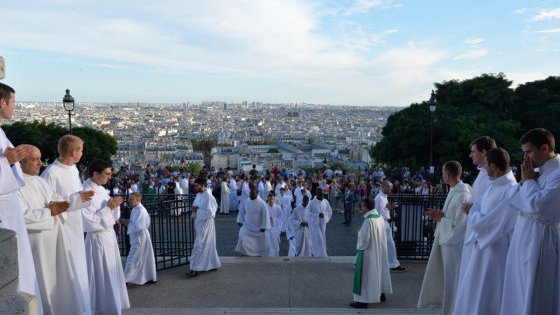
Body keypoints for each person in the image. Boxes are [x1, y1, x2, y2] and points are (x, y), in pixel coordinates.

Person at [17, 145, 93, 314]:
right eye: (35, 159)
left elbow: (55, 202)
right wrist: (48, 212)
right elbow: (19, 216)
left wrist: (74, 200)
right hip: (37, 246)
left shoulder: (39, 181)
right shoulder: (15, 185)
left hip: (54, 240)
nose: (40, 163)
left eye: (39, 158)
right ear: (21, 162)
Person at [501, 128, 560, 315]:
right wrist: (527, 185)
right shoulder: (535, 172)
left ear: (545, 148)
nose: (525, 158)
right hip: (524, 236)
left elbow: (539, 207)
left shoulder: (557, 174)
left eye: (528, 151)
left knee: (536, 291)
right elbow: (513, 199)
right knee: (519, 290)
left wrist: (528, 184)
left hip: (541, 241)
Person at [453, 148, 517, 315]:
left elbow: (493, 222)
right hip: (482, 247)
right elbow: (482, 208)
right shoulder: (494, 184)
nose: (484, 168)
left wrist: (473, 213)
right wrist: (472, 209)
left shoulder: (511, 190)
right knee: (475, 294)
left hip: (495, 251)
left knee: (489, 295)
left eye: (486, 164)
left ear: (494, 166)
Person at [41, 134, 92, 314]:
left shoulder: (73, 169)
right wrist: (77, 199)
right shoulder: (51, 173)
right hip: (62, 229)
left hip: (75, 226)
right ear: (73, 151)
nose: (82, 153)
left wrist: (81, 199)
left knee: (78, 268)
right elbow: (49, 204)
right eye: (81, 150)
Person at [417, 161, 470, 315]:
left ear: (447, 174)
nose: (442, 175)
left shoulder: (463, 195)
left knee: (454, 282)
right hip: (447, 244)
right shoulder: (454, 191)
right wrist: (440, 215)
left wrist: (441, 220)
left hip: (454, 247)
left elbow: (462, 226)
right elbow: (452, 218)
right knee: (448, 283)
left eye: (442, 173)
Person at [0, 82, 36, 299]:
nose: (15, 106)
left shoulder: (2, 132)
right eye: (13, 102)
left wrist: (10, 161)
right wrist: (7, 162)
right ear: (2, 102)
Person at [82, 159, 130, 314]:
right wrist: (108, 208)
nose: (110, 178)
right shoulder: (85, 192)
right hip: (97, 240)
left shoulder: (101, 189)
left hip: (108, 237)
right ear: (95, 174)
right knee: (101, 276)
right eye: (107, 174)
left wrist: (114, 206)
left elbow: (113, 217)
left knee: (111, 273)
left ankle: (112, 304)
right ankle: (101, 307)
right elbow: (88, 223)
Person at [457, 136, 496, 288]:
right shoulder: (483, 173)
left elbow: (489, 207)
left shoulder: (491, 176)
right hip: (475, 227)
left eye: (473, 151)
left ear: (484, 152)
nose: (470, 155)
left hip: (482, 233)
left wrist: (472, 209)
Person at [350, 198, 392, 308]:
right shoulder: (379, 218)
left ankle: (362, 301)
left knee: (365, 276)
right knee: (379, 272)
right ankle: (380, 293)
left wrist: (359, 233)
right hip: (379, 251)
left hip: (369, 253)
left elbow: (364, 241)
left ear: (366, 207)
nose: (361, 208)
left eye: (362, 206)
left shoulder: (368, 221)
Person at [120, 192, 157, 285]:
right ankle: (148, 277)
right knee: (144, 256)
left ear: (138, 200)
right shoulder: (135, 209)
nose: (129, 201)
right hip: (138, 236)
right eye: (129, 199)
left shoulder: (141, 210)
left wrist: (125, 222)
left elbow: (138, 226)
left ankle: (125, 279)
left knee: (132, 257)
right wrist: (127, 222)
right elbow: (134, 223)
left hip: (140, 237)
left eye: (131, 199)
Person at [187, 178, 221, 277]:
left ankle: (195, 268)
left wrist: (197, 211)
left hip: (206, 224)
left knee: (199, 245)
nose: (195, 187)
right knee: (206, 245)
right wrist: (194, 209)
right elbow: (195, 207)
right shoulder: (198, 195)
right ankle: (212, 264)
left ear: (203, 185)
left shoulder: (209, 197)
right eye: (195, 185)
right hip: (199, 223)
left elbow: (211, 213)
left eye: (197, 186)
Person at [375, 180, 406, 272]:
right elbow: (378, 212)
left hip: (385, 223)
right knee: (375, 243)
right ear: (382, 187)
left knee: (389, 244)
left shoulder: (384, 197)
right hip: (380, 223)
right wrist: (388, 209)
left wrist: (389, 208)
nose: (390, 188)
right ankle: (358, 261)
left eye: (391, 187)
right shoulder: (379, 198)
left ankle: (393, 264)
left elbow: (384, 209)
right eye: (388, 186)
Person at [235, 188, 270, 256]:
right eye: (250, 193)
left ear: (257, 194)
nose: (251, 195)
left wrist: (264, 226)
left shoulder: (262, 203)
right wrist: (239, 220)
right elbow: (241, 211)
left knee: (259, 243)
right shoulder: (246, 201)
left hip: (258, 228)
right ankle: (244, 252)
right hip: (247, 227)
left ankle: (258, 254)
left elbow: (265, 216)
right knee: (242, 234)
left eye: (252, 194)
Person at [308, 187, 333, 257]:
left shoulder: (326, 202)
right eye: (321, 194)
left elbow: (329, 211)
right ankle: (317, 252)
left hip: (323, 223)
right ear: (317, 194)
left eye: (323, 194)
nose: (322, 196)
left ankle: (323, 251)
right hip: (315, 224)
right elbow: (308, 214)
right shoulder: (312, 203)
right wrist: (317, 215)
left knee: (322, 236)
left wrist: (324, 216)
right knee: (317, 238)